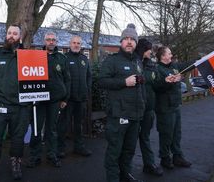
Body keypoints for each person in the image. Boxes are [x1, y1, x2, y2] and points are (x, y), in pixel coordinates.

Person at [0, 24, 32, 181]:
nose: (11, 36)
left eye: (15, 33)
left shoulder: (29, 56)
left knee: (18, 138)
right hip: (1, 105)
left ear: (20, 37)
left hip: (22, 107)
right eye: (9, 33)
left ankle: (16, 163)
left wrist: (32, 99)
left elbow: (38, 78)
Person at [99, 24, 145, 182]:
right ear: (121, 42)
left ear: (136, 43)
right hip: (118, 115)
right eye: (126, 39)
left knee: (129, 150)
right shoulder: (112, 61)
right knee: (114, 151)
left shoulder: (138, 62)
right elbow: (102, 81)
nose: (129, 42)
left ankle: (125, 175)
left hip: (135, 115)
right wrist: (124, 82)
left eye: (132, 39)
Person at [27, 31, 71, 168]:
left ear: (56, 42)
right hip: (38, 100)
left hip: (55, 100)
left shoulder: (62, 58)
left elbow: (67, 80)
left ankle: (52, 155)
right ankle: (35, 156)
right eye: (48, 40)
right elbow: (27, 73)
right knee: (36, 129)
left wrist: (65, 98)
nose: (51, 42)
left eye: (53, 40)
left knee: (52, 129)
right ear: (44, 41)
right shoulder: (36, 56)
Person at [153, 46, 192, 170]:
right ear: (163, 56)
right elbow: (156, 87)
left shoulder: (174, 66)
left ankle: (177, 157)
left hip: (175, 106)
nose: (171, 55)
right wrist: (167, 82)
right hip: (164, 108)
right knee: (166, 134)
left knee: (176, 133)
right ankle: (165, 158)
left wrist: (201, 59)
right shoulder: (157, 69)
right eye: (169, 53)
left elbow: (187, 65)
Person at [57, 35, 92, 158]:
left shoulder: (84, 59)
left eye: (78, 43)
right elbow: (60, 78)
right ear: (70, 44)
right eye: (74, 43)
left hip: (81, 98)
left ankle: (79, 147)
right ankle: (60, 148)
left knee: (79, 124)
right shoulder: (64, 58)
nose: (76, 45)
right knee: (63, 124)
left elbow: (89, 76)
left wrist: (87, 90)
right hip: (67, 99)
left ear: (81, 45)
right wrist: (63, 96)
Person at [134, 38, 163, 176]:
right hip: (134, 109)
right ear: (142, 49)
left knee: (145, 137)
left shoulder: (152, 65)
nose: (151, 52)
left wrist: (167, 82)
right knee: (129, 140)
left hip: (149, 109)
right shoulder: (133, 62)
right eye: (148, 49)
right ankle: (123, 168)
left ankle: (149, 164)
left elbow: (157, 84)